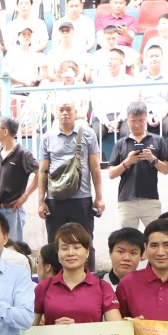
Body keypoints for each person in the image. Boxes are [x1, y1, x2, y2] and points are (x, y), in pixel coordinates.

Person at [37, 98, 104, 245]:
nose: (65, 113)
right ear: (56, 113)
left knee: (85, 243)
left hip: (82, 198)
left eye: (68, 110)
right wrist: (41, 201)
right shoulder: (47, 138)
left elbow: (95, 169)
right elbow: (43, 171)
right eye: (61, 110)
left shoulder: (88, 134)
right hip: (54, 200)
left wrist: (99, 197)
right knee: (55, 244)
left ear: (75, 112)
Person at [107, 102, 168, 230]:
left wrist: (152, 159)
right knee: (128, 237)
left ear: (146, 118)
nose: (137, 125)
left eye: (141, 121)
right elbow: (111, 174)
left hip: (150, 199)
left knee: (157, 234)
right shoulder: (121, 143)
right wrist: (127, 162)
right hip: (127, 200)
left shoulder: (157, 140)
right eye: (133, 121)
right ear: (127, 120)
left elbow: (165, 170)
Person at [0, 116, 37, 245]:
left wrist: (25, 196)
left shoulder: (23, 154)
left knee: (13, 248)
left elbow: (40, 174)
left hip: (12, 210)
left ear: (5, 131)